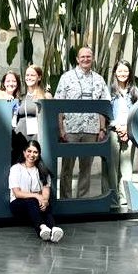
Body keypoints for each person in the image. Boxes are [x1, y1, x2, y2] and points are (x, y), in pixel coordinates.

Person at [54, 47, 110, 198]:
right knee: (67, 167)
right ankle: (66, 199)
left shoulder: (99, 79)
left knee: (86, 168)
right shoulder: (66, 77)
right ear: (77, 59)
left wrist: (102, 128)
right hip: (70, 129)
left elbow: (103, 106)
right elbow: (58, 104)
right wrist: (61, 129)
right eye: (82, 57)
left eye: (88, 56)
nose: (86, 59)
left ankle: (82, 199)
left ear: (93, 58)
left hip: (91, 130)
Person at [9, 140, 64, 243]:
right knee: (32, 200)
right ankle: (43, 226)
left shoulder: (43, 170)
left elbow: (46, 190)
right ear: (24, 152)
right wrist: (36, 196)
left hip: (37, 206)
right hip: (18, 205)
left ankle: (52, 229)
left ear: (39, 154)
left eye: (35, 152)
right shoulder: (16, 169)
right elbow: (17, 193)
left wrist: (45, 200)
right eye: (29, 151)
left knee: (45, 203)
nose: (32, 155)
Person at [108, 59, 138, 205]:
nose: (122, 74)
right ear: (115, 72)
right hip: (113, 131)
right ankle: (112, 198)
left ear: (130, 73)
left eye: (125, 71)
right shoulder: (109, 91)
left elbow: (137, 113)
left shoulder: (135, 91)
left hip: (129, 132)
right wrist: (117, 126)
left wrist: (127, 128)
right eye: (120, 71)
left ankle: (125, 197)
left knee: (127, 167)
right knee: (112, 167)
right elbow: (106, 112)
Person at [15, 65, 52, 155]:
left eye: (32, 75)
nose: (29, 77)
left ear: (39, 77)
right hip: (20, 136)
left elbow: (51, 118)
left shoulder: (46, 96)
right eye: (27, 75)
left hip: (37, 137)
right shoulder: (21, 97)